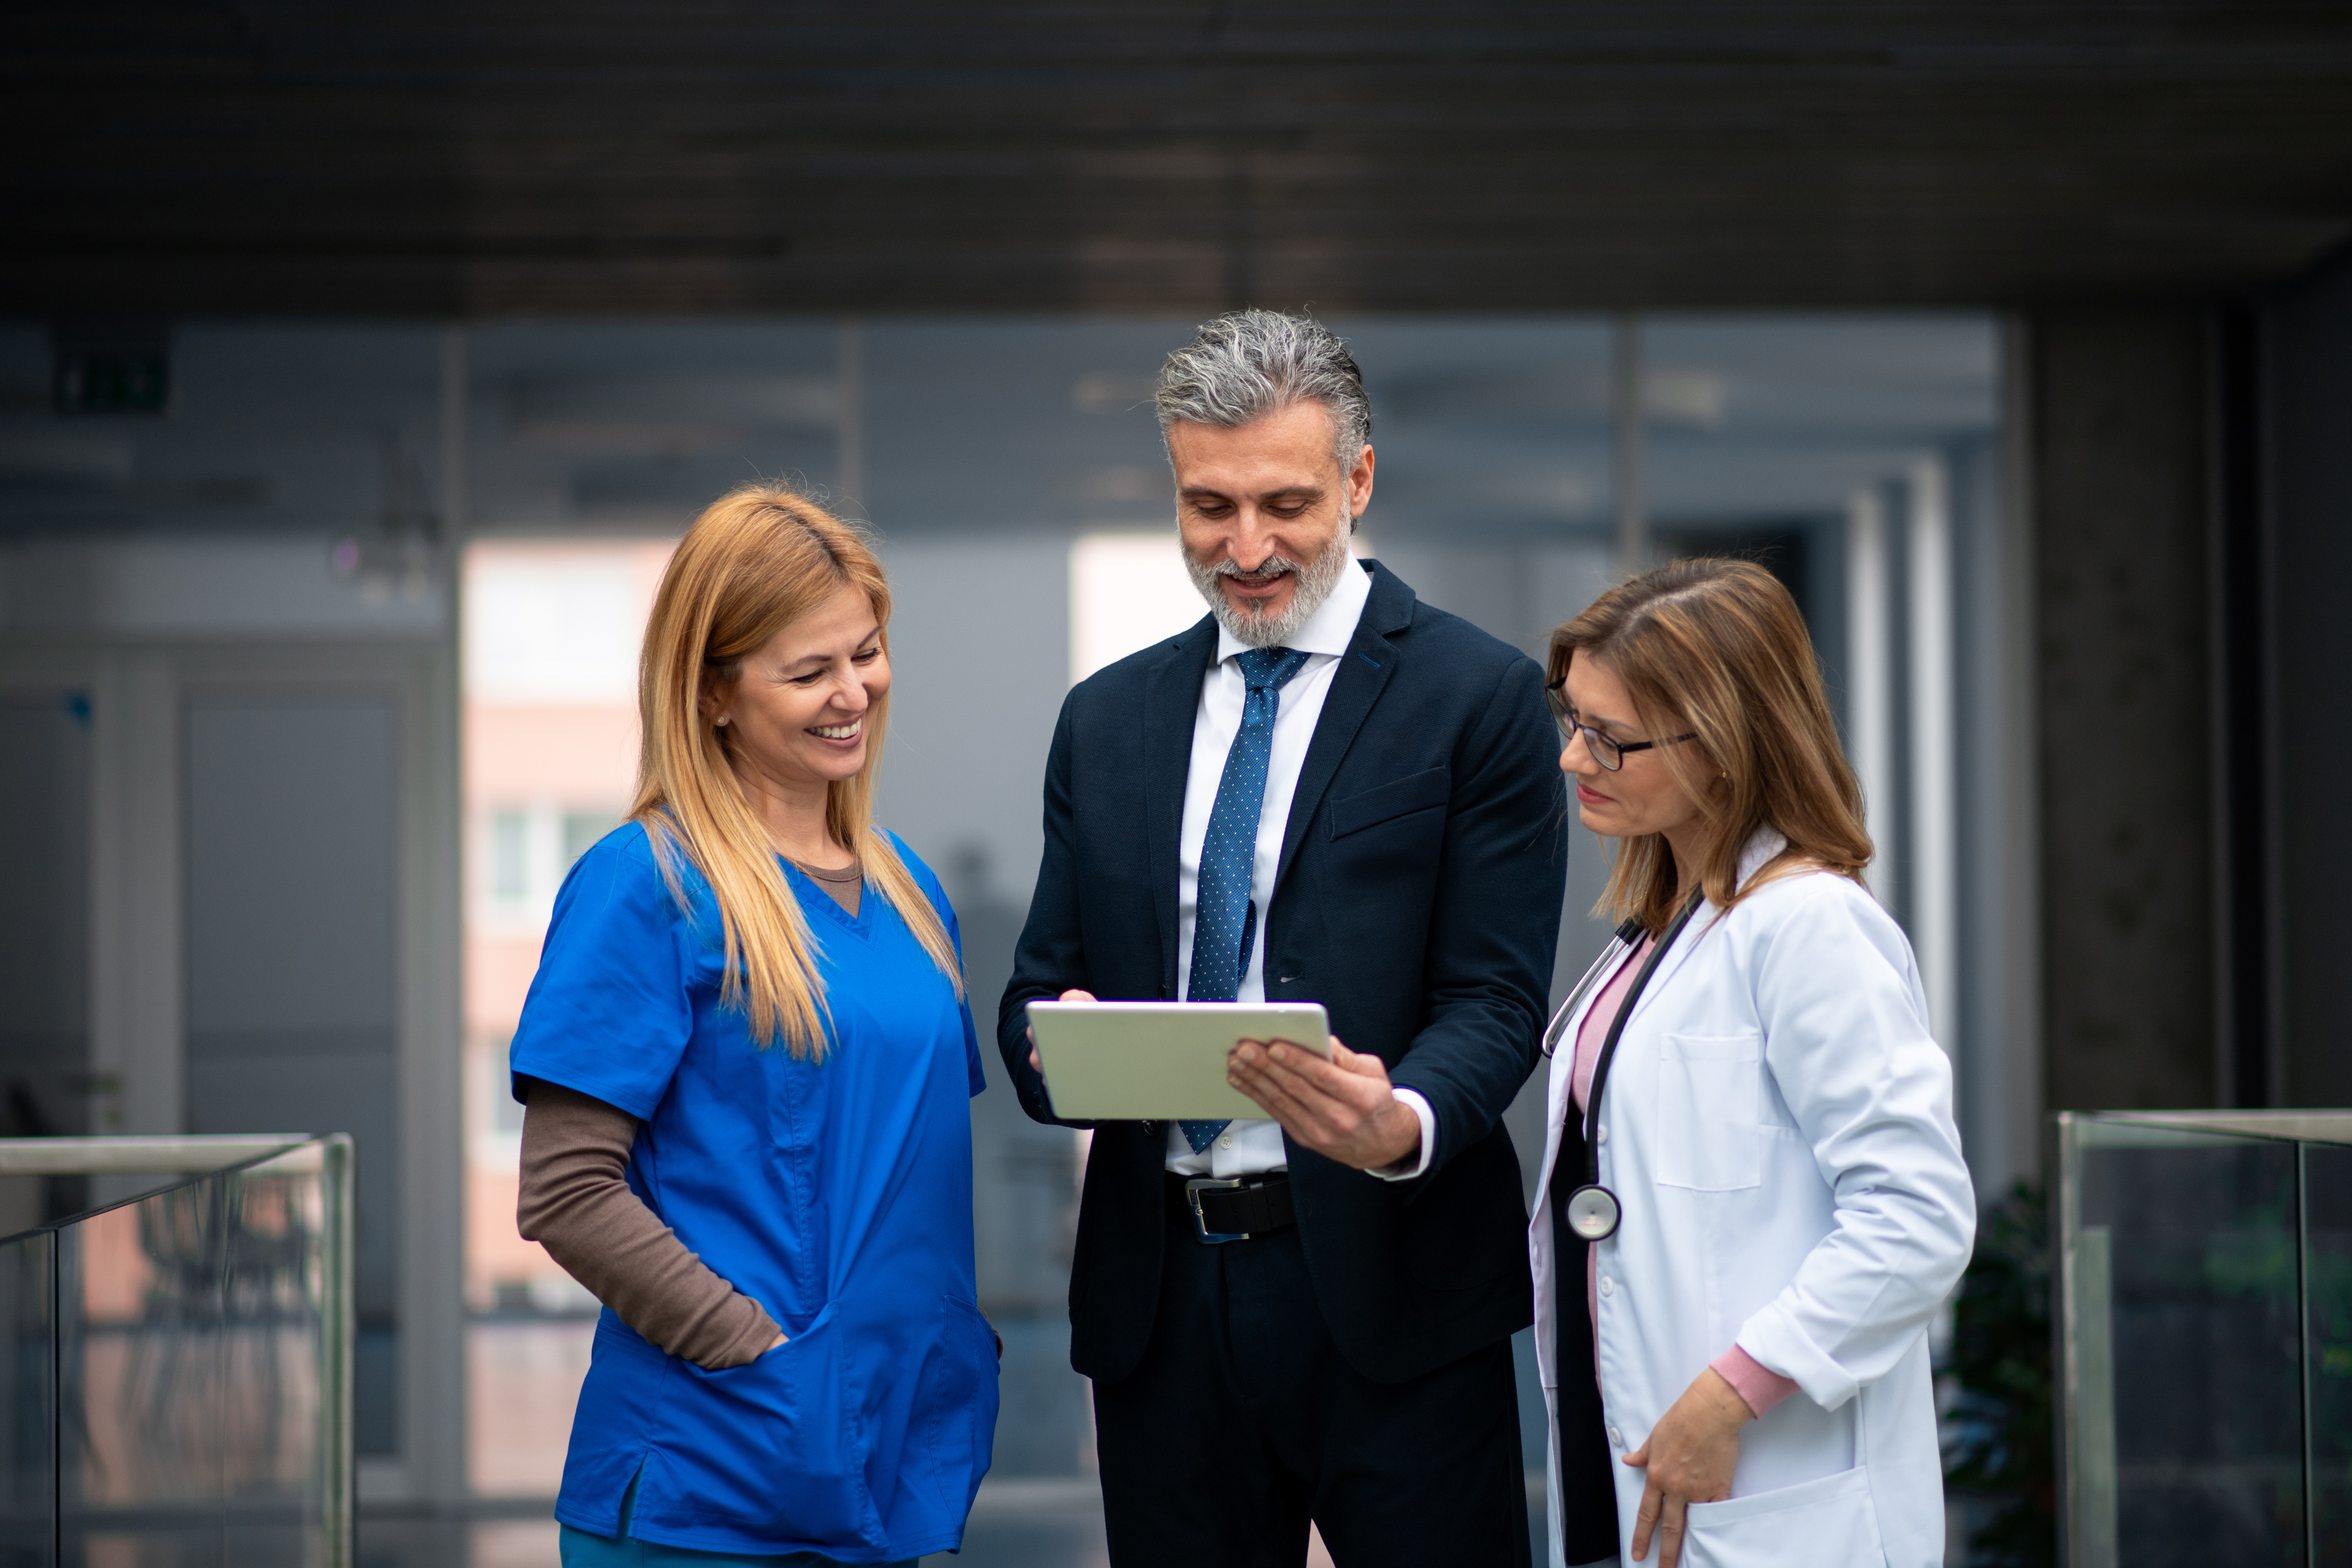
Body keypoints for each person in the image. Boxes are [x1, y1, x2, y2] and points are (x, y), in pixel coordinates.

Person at [999, 309, 1567, 1566]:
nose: (1245, 548)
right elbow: (1039, 988)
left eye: (1286, 503)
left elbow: (1496, 995)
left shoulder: (1479, 699)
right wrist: (1061, 1049)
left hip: (1396, 1289)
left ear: (1359, 481)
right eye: (1209, 506)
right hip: (1162, 1303)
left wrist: (1402, 1118)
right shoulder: (1106, 719)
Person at [507, 485, 999, 1568]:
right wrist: (763, 1356)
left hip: (873, 1467)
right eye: (807, 670)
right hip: (713, 1478)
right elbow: (567, 1190)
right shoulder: (647, 884)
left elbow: (890, 1166)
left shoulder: (908, 890)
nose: (852, 693)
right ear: (715, 693)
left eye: (865, 653)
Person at [1529, 559, 1976, 1568]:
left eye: (1609, 737)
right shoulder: (1668, 924)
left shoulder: (1809, 926)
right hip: (1638, 1465)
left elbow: (1917, 1218)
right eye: (1573, 720)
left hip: (1762, 1486)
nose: (1573, 757)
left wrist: (1735, 1388)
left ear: (1721, 744)